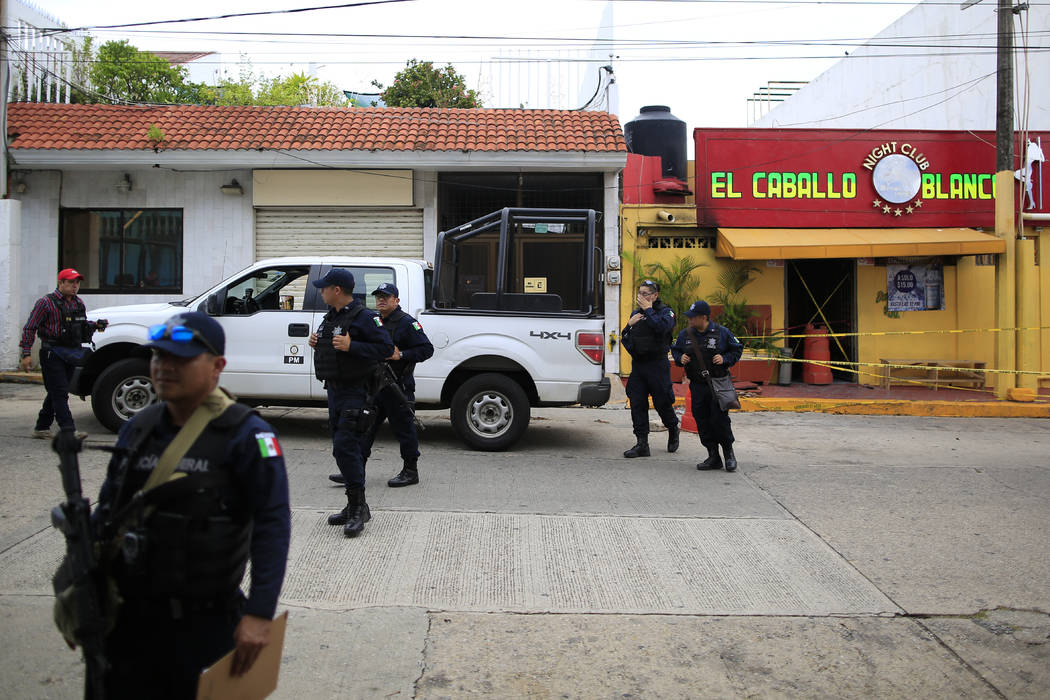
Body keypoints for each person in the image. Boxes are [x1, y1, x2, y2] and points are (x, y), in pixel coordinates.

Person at [91, 311, 290, 698]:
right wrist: (88, 597)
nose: (163, 367)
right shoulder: (138, 426)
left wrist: (260, 613)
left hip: (206, 621)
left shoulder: (248, 434)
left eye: (179, 359)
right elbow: (107, 511)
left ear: (217, 366)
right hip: (128, 615)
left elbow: (272, 523)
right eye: (157, 357)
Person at [309, 269, 393, 537]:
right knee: (341, 449)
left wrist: (352, 346)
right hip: (334, 391)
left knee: (346, 446)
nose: (320, 292)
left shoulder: (365, 318)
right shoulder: (332, 316)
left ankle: (358, 508)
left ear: (336, 290)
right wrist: (318, 342)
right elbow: (332, 345)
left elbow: (386, 349)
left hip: (356, 392)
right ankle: (353, 505)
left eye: (324, 288)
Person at [330, 282, 434, 488]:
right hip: (373, 386)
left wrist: (401, 354)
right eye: (378, 296)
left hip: (397, 386)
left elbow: (426, 349)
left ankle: (410, 471)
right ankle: (355, 470)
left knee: (404, 429)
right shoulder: (373, 321)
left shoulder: (407, 323)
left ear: (396, 300)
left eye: (386, 297)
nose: (381, 300)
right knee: (363, 429)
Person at [20, 268, 105, 439]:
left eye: (77, 283)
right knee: (60, 392)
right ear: (60, 283)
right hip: (52, 353)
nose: (75, 286)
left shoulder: (78, 303)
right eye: (71, 282)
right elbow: (30, 327)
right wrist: (26, 353)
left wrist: (95, 325)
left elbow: (80, 325)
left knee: (56, 391)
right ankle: (68, 430)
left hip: (71, 352)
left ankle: (42, 427)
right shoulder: (45, 303)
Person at [671, 300, 744, 472]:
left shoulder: (722, 333)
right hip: (697, 386)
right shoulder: (686, 334)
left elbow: (737, 348)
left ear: (704, 317)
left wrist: (725, 359)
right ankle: (713, 456)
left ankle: (728, 454)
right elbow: (675, 349)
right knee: (702, 421)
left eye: (692, 317)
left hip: (718, 384)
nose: (689, 320)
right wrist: (680, 358)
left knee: (720, 421)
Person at [621, 279, 680, 458]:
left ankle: (672, 428)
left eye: (646, 294)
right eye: (640, 294)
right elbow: (625, 338)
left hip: (657, 365)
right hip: (639, 366)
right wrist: (629, 326)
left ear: (655, 296)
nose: (641, 297)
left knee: (662, 402)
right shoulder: (636, 314)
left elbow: (663, 328)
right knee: (637, 403)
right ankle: (642, 444)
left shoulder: (666, 312)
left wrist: (648, 309)